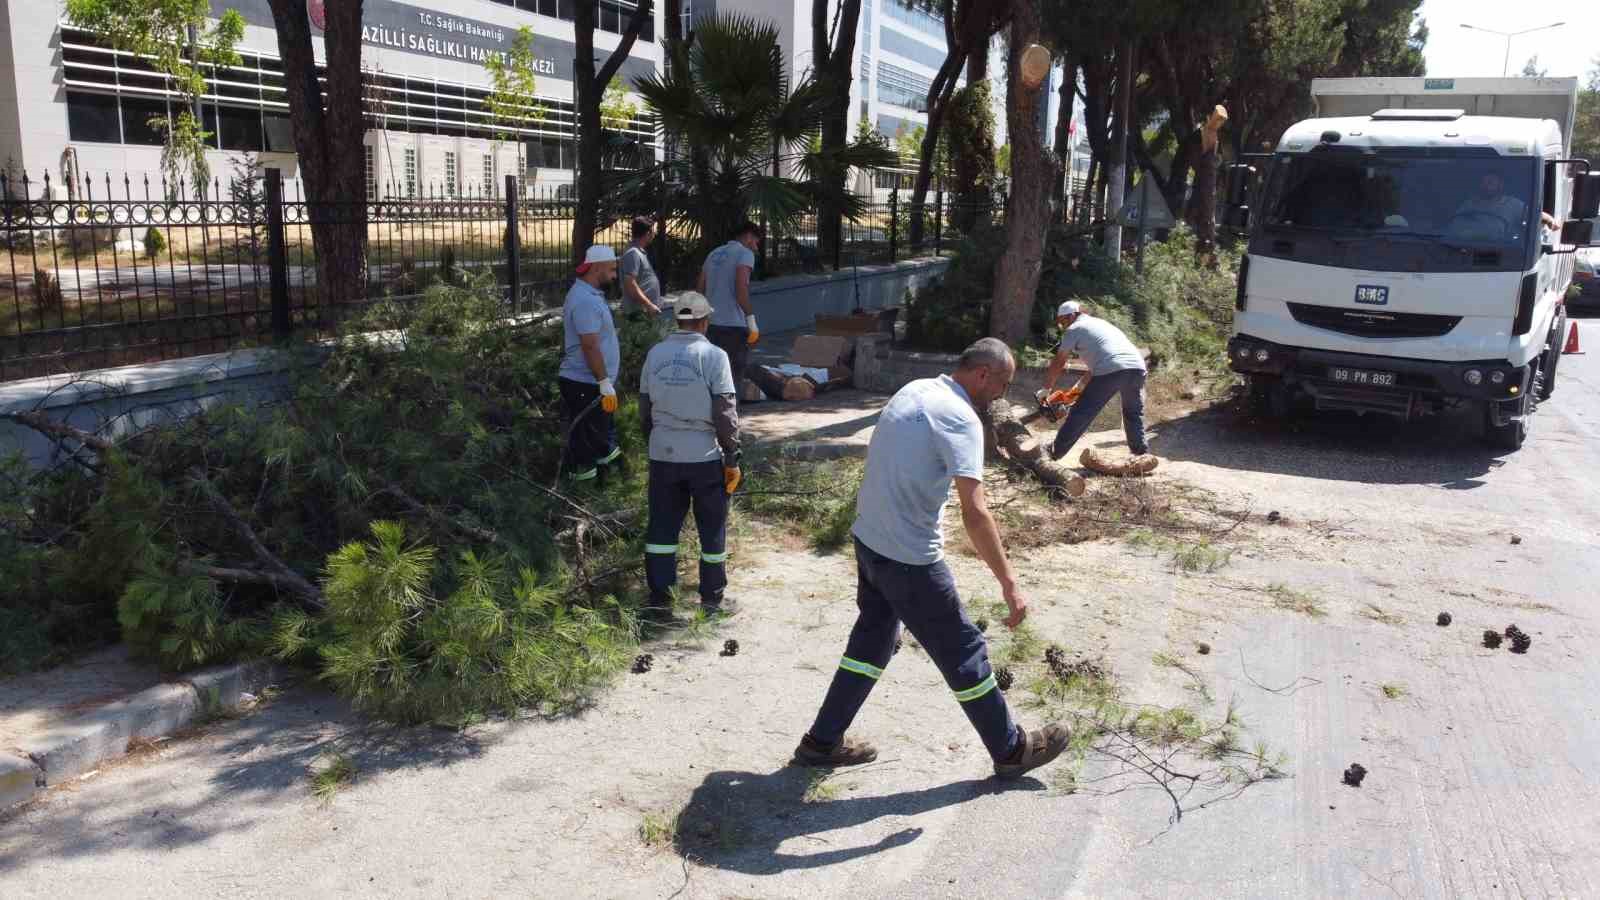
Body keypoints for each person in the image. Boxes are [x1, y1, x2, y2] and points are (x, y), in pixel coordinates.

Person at [793, 338, 1070, 780]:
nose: (1003, 393)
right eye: (1003, 383)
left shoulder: (916, 389)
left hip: (871, 542)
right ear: (983, 374)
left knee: (872, 642)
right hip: (909, 559)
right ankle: (1012, 750)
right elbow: (975, 512)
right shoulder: (961, 419)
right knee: (964, 650)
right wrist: (1010, 583)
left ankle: (821, 742)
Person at [639, 292, 742, 621]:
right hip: (703, 455)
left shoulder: (655, 354)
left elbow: (644, 408)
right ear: (704, 321)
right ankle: (711, 601)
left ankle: (659, 600)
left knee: (661, 531)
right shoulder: (714, 356)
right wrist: (732, 457)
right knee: (711, 529)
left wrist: (655, 442)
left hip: (663, 453)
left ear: (677, 320)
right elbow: (725, 412)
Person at [1040, 301, 1149, 461]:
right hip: (1137, 367)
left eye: (1063, 321)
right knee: (1133, 412)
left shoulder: (1074, 328)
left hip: (1113, 369)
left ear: (1071, 315)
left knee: (1081, 413)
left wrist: (1046, 389)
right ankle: (1141, 455)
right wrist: (1078, 389)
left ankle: (1053, 453)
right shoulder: (1101, 324)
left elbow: (1059, 361)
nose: (1062, 325)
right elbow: (1103, 361)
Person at [559, 244, 624, 486]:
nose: (615, 275)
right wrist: (604, 382)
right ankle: (584, 491)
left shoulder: (590, 295)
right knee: (587, 443)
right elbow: (589, 346)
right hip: (585, 383)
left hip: (590, 383)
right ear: (597, 268)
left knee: (600, 437)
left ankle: (606, 484)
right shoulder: (585, 300)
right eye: (611, 270)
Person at [697, 221, 763, 382]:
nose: (756, 248)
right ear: (748, 236)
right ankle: (729, 407)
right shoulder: (745, 254)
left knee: (712, 374)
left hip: (710, 324)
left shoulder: (713, 253)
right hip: (733, 326)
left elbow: (700, 289)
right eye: (755, 242)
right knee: (732, 376)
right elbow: (741, 290)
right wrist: (752, 321)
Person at [1456, 172, 1558, 234]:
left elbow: (1534, 214)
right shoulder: (1470, 203)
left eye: (1491, 182)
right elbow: (1456, 224)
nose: (1486, 186)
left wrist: (1550, 220)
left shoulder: (1513, 204)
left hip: (1501, 250)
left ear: (1500, 185)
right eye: (1484, 182)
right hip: (1470, 247)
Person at [621, 216, 668, 330]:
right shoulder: (633, 253)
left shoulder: (638, 252)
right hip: (639, 314)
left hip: (644, 313)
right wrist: (649, 305)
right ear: (647, 233)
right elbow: (630, 284)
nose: (654, 234)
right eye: (653, 231)